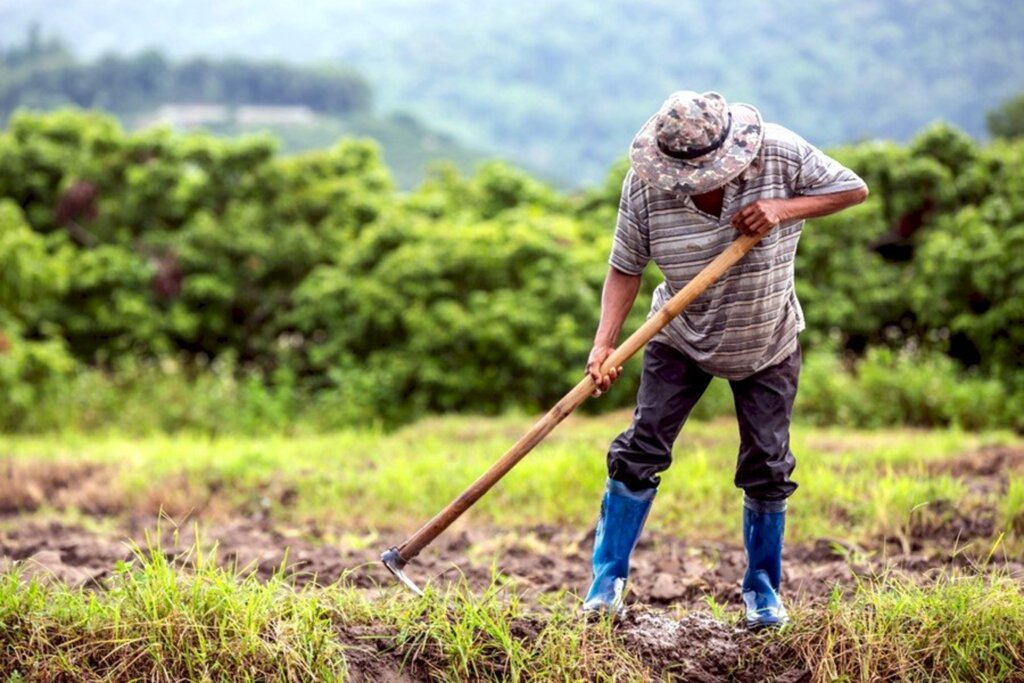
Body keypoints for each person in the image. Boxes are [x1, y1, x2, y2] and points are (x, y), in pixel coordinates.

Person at [583, 90, 868, 630]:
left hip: (768, 337)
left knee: (767, 464)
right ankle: (606, 585)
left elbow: (852, 189)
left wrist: (782, 209)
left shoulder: (780, 153)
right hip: (679, 333)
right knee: (640, 449)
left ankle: (762, 593)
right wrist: (604, 345)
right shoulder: (646, 185)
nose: (692, 184)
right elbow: (625, 266)